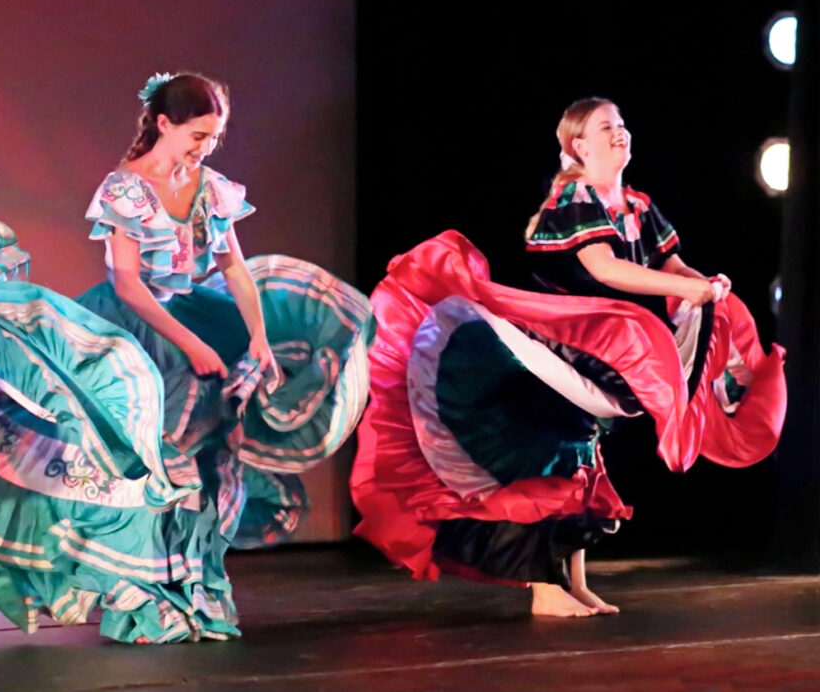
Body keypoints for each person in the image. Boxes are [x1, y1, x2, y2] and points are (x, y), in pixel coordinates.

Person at [351, 98, 786, 618]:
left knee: (580, 458)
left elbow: (671, 262)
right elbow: (603, 268)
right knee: (551, 454)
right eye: (607, 128)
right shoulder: (574, 199)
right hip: (561, 349)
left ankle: (573, 582)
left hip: (603, 355)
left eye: (623, 125)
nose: (620, 133)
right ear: (579, 145)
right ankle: (545, 589)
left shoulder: (638, 206)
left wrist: (705, 285)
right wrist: (686, 292)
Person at [74, 71, 374, 636]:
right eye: (196, 137)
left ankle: (196, 595)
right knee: (155, 465)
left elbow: (233, 266)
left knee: (208, 465)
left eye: (213, 138)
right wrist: (189, 343)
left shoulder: (210, 187)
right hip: (138, 331)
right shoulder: (125, 189)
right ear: (163, 124)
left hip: (197, 316)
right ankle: (144, 603)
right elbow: (129, 284)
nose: (205, 148)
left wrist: (257, 336)